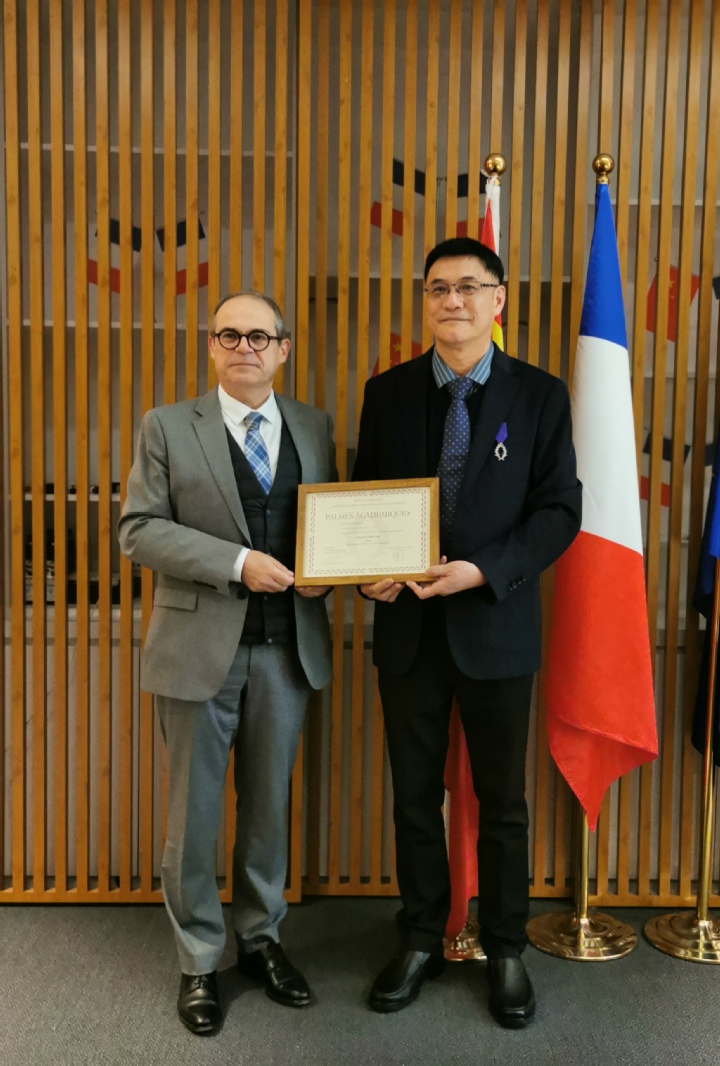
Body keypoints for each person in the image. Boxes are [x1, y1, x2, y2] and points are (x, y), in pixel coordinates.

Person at [352, 237, 581, 1029]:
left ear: (498, 301)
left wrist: (482, 571)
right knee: (414, 797)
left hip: (495, 625)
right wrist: (365, 571)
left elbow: (559, 510)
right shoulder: (386, 393)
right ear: (424, 301)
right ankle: (420, 936)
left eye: (468, 287)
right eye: (437, 288)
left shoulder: (540, 395)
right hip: (407, 630)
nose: (452, 301)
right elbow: (364, 501)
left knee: (502, 801)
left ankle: (506, 947)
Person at [118, 291, 335, 1035]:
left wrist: (334, 571)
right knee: (195, 814)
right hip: (195, 652)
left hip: (287, 652)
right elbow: (138, 529)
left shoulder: (314, 426)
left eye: (259, 337)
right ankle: (198, 959)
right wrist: (239, 562)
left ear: (282, 349)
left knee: (269, 809)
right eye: (229, 335)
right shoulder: (167, 426)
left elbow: (334, 522)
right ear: (211, 346)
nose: (245, 347)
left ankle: (260, 938)